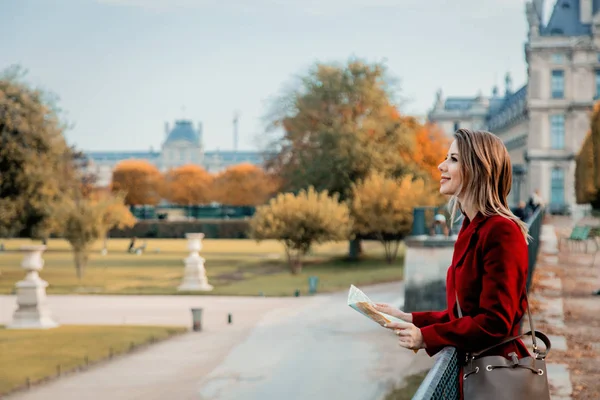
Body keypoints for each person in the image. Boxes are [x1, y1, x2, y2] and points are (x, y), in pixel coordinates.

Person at [374, 129, 532, 398]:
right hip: (478, 375)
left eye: (454, 159)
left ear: (478, 169)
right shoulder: (471, 228)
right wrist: (408, 317)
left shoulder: (501, 231)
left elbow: (494, 322)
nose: (441, 165)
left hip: (498, 380)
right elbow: (464, 314)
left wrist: (425, 337)